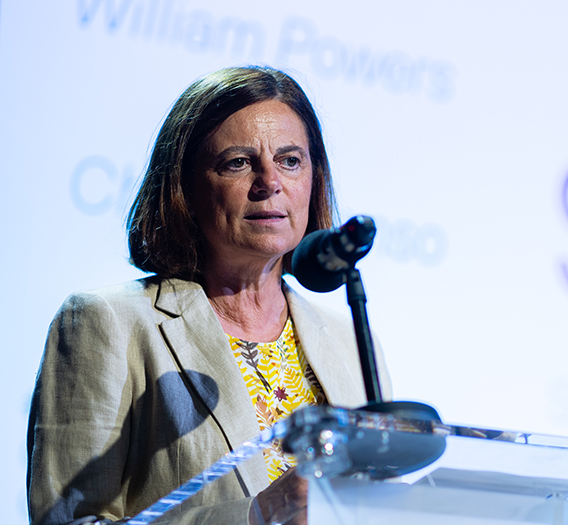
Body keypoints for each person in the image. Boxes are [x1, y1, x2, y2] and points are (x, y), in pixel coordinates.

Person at [26, 66, 391, 525]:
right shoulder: (107, 323)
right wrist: (257, 514)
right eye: (238, 162)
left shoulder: (349, 341)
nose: (270, 182)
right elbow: (68, 521)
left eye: (290, 160)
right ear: (184, 187)